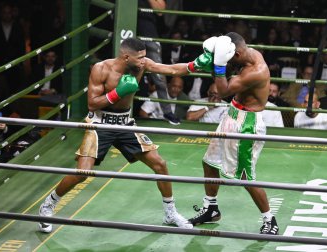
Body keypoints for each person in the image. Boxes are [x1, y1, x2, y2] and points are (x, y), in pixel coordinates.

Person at [38, 37, 210, 233]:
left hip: (125, 123)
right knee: (82, 173)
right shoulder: (101, 69)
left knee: (160, 164)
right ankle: (48, 205)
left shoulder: (142, 65)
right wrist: (117, 93)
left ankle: (170, 213)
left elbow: (171, 69)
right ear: (126, 56)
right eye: (140, 58)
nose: (144, 61)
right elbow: (92, 103)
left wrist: (195, 64)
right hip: (99, 123)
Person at [188, 32, 279, 235]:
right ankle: (211, 208)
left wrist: (217, 67)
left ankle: (269, 219)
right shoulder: (248, 54)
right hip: (232, 114)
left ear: (236, 53)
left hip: (246, 124)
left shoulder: (255, 71)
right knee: (209, 162)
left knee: (246, 176)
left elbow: (224, 92)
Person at [137, 0, 181, 125]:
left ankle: (167, 112)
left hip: (149, 33)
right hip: (127, 32)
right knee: (124, 72)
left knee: (159, 74)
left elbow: (161, 10)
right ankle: (121, 112)